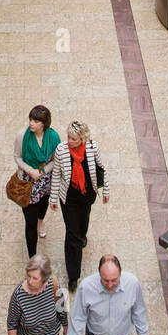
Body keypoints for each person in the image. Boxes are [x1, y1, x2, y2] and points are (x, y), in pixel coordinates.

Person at [49, 120, 109, 292]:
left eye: (74, 139)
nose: (69, 141)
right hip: (69, 198)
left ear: (83, 139)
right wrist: (53, 199)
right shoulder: (61, 150)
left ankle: (82, 236)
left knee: (83, 223)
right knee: (72, 235)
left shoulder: (92, 148)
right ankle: (73, 275)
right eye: (68, 137)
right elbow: (58, 175)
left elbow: (101, 169)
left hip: (87, 195)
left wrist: (105, 191)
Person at [13, 106, 60, 255]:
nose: (31, 123)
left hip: (45, 181)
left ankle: (42, 221)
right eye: (30, 120)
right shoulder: (22, 136)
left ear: (44, 123)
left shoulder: (53, 137)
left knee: (42, 206)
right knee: (30, 222)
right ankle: (32, 256)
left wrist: (43, 171)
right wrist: (30, 171)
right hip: (28, 183)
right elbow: (17, 157)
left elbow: (56, 160)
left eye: (35, 121)